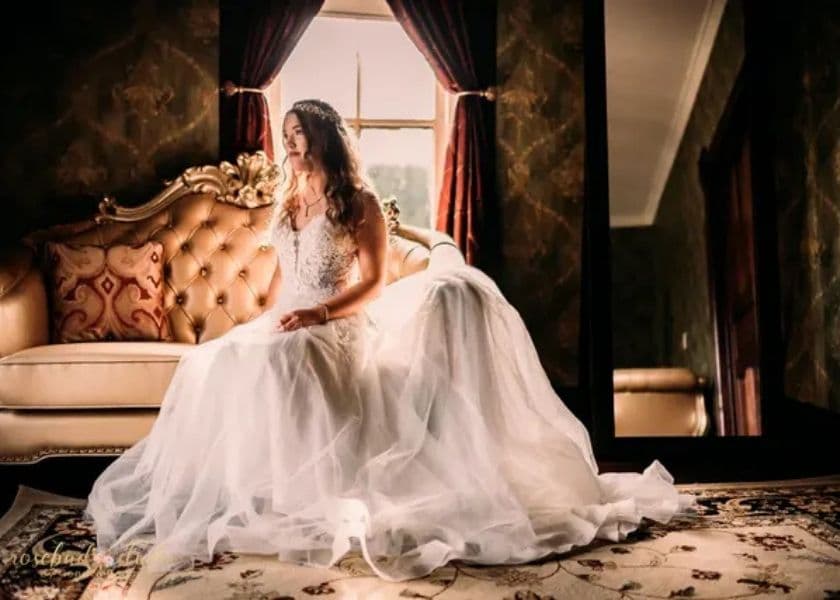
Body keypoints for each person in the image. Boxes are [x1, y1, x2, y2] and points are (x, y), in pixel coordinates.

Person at [84, 98, 696, 582]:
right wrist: (263, 321)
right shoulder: (287, 202)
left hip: (340, 323)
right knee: (214, 361)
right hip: (294, 315)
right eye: (287, 134)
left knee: (288, 359)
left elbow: (374, 283)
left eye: (299, 134)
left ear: (324, 139)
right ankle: (263, 492)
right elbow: (278, 282)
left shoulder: (360, 203)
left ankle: (314, 494)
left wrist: (317, 314)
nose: (290, 144)